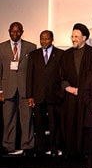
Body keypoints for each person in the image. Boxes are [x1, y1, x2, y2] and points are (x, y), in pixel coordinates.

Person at [58, 23, 92, 157]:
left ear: (84, 37)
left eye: (76, 36)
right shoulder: (66, 55)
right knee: (70, 123)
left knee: (87, 125)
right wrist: (69, 88)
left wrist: (83, 90)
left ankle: (87, 151)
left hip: (88, 97)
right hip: (70, 97)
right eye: (72, 36)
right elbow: (60, 76)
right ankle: (71, 151)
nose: (73, 39)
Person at [0, 22, 37, 156]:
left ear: (22, 32)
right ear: (9, 31)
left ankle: (27, 145)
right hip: (7, 89)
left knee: (27, 118)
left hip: (25, 90)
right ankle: (8, 145)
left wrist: (32, 92)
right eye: (12, 31)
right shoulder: (1, 47)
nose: (15, 34)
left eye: (18, 31)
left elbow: (33, 71)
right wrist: (0, 90)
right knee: (8, 118)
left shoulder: (31, 47)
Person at [26, 30, 64, 157]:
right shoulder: (33, 55)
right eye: (42, 39)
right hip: (38, 95)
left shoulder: (60, 54)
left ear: (52, 39)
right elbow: (29, 76)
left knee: (54, 123)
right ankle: (40, 147)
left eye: (47, 39)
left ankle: (54, 147)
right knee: (39, 122)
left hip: (54, 95)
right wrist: (29, 95)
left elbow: (63, 75)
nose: (44, 41)